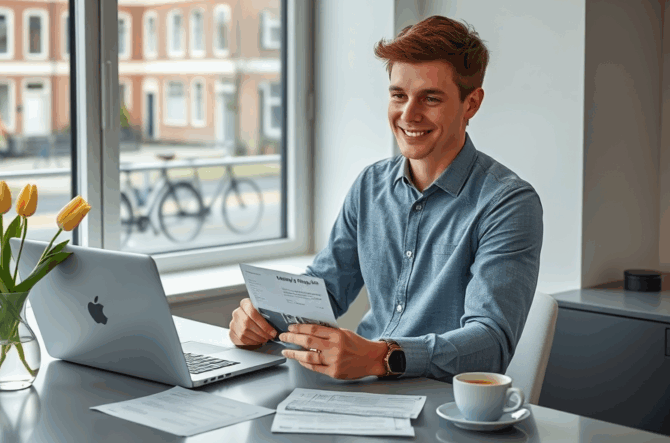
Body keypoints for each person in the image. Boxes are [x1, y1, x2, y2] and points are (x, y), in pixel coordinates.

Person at [228, 16, 543, 381]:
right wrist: (260, 319)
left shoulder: (508, 203)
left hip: (441, 404)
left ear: (471, 103)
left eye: (430, 98)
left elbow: (490, 344)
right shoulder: (370, 185)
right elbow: (326, 290)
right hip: (363, 390)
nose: (408, 115)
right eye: (398, 95)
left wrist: (384, 357)